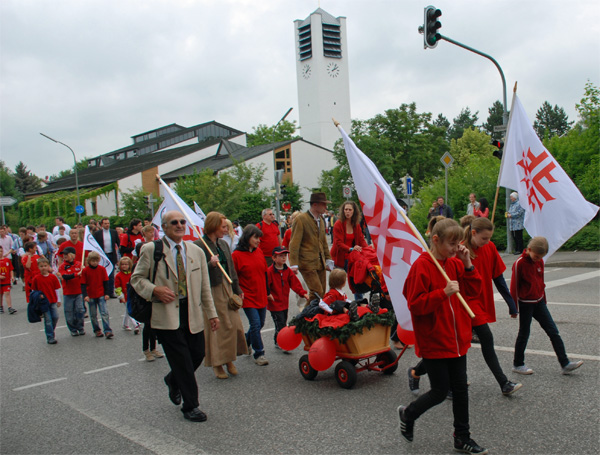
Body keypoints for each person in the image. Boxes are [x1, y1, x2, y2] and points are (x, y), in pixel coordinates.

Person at [398, 218, 487, 455]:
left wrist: (467, 264)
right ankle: (408, 413)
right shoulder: (423, 266)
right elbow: (415, 305)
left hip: (457, 338)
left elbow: (473, 291)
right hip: (435, 339)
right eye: (451, 243)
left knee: (460, 390)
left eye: (458, 243)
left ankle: (462, 437)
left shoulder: (455, 263)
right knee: (439, 391)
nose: (456, 247)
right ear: (436, 240)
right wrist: (442, 293)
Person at [131, 210, 219, 422]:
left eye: (182, 222)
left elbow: (204, 286)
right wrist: (154, 290)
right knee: (181, 361)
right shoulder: (152, 249)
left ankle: (173, 380)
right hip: (166, 314)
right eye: (174, 222)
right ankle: (191, 406)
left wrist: (212, 314)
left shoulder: (196, 251)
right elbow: (137, 278)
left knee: (197, 354)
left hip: (192, 312)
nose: (179, 225)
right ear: (165, 227)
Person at [461, 217, 522, 395]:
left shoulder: (490, 247)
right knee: (463, 343)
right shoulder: (460, 249)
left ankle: (503, 384)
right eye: (484, 238)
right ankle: (502, 383)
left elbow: (498, 278)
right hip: (465, 302)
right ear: (473, 233)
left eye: (489, 238)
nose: (487, 242)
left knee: (467, 343)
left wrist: (511, 303)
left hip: (480, 301)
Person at [511, 237, 583, 376]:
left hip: (539, 302)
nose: (538, 259)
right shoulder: (519, 263)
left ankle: (565, 363)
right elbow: (513, 286)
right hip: (526, 303)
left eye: (540, 258)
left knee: (553, 331)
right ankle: (518, 364)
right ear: (529, 250)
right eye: (536, 256)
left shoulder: (540, 262)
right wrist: (513, 308)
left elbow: (541, 281)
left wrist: (544, 299)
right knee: (524, 333)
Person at [194, 212, 247, 379]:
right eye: (223, 227)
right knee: (218, 326)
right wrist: (210, 264)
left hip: (227, 287)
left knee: (233, 324)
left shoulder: (223, 244)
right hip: (212, 289)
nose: (226, 230)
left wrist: (237, 289)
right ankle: (217, 363)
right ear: (214, 226)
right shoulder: (199, 246)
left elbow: (231, 268)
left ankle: (229, 358)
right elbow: (196, 274)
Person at [232, 225, 270, 366]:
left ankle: (246, 341)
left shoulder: (259, 252)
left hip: (261, 293)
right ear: (247, 237)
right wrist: (237, 291)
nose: (258, 241)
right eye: (256, 237)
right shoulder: (236, 255)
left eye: (259, 238)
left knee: (260, 324)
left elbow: (265, 273)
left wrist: (268, 292)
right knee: (255, 324)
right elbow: (233, 277)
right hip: (247, 295)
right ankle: (259, 353)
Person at [288, 192, 334, 302]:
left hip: (320, 262)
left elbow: (323, 243)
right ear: (315, 205)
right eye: (323, 204)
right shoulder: (301, 219)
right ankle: (306, 317)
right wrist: (294, 264)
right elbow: (294, 243)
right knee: (316, 291)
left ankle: (314, 316)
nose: (325, 207)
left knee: (322, 292)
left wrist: (328, 260)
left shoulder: (321, 220)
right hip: (307, 262)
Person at [133, 225, 164, 362]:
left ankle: (154, 348)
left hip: (154, 296)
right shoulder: (138, 265)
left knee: (154, 325)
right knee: (148, 325)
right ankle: (146, 350)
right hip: (144, 298)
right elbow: (137, 281)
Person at [267, 246, 308, 348]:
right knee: (280, 324)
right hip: (274, 304)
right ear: (274, 258)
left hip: (284, 303)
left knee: (283, 322)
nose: (284, 258)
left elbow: (295, 284)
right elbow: (265, 285)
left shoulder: (287, 271)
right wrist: (268, 294)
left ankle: (277, 340)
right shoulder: (270, 272)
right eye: (280, 256)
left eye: (285, 256)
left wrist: (303, 293)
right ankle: (282, 343)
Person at [81, 251, 113, 339]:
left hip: (101, 294)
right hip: (91, 295)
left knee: (104, 313)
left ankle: (107, 330)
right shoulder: (85, 271)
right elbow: (83, 284)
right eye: (93, 261)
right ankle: (97, 330)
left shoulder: (102, 269)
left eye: (96, 261)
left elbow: (106, 282)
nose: (94, 263)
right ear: (89, 261)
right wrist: (85, 295)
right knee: (93, 315)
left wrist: (107, 293)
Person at [31, 257, 62, 344]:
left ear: (48, 266)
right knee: (48, 319)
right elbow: (34, 291)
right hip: (43, 303)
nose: (43, 268)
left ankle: (51, 330)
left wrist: (58, 300)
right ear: (38, 267)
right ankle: (50, 336)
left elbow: (56, 289)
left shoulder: (53, 277)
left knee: (55, 317)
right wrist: (37, 298)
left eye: (45, 266)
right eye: (41, 266)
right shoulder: (36, 278)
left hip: (52, 301)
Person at [330, 201, 368, 271]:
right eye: (346, 209)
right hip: (339, 258)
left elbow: (361, 240)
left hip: (351, 258)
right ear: (343, 211)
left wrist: (369, 250)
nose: (347, 212)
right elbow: (338, 243)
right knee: (340, 281)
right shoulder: (338, 224)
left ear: (354, 211)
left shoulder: (356, 225)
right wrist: (351, 249)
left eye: (350, 210)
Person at [58, 246, 85, 336]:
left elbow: (84, 276)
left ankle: (80, 326)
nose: (64, 256)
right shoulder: (62, 266)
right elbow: (65, 276)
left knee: (80, 310)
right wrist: (77, 274)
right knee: (69, 312)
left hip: (78, 291)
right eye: (64, 254)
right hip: (68, 293)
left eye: (67, 254)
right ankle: (72, 329)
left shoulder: (79, 264)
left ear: (72, 255)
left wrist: (83, 270)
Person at [93, 217, 120, 298]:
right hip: (102, 256)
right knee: (101, 274)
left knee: (111, 274)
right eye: (105, 223)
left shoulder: (113, 232)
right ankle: (102, 291)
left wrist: (119, 256)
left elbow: (118, 243)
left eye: (108, 223)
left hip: (111, 254)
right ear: (102, 224)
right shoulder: (97, 233)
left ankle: (110, 292)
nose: (107, 225)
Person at [115, 257, 140, 335]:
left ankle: (125, 324)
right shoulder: (118, 276)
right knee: (129, 310)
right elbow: (117, 287)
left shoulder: (132, 274)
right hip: (124, 296)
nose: (124, 266)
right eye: (122, 264)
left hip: (131, 295)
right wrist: (120, 296)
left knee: (127, 311)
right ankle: (136, 325)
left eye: (126, 264)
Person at [0, 245, 15, 314]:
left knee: (7, 293)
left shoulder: (7, 260)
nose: (0, 252)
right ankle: (1, 306)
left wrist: (12, 277)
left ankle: (10, 307)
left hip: (6, 280)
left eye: (1, 251)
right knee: (0, 294)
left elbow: (10, 269)